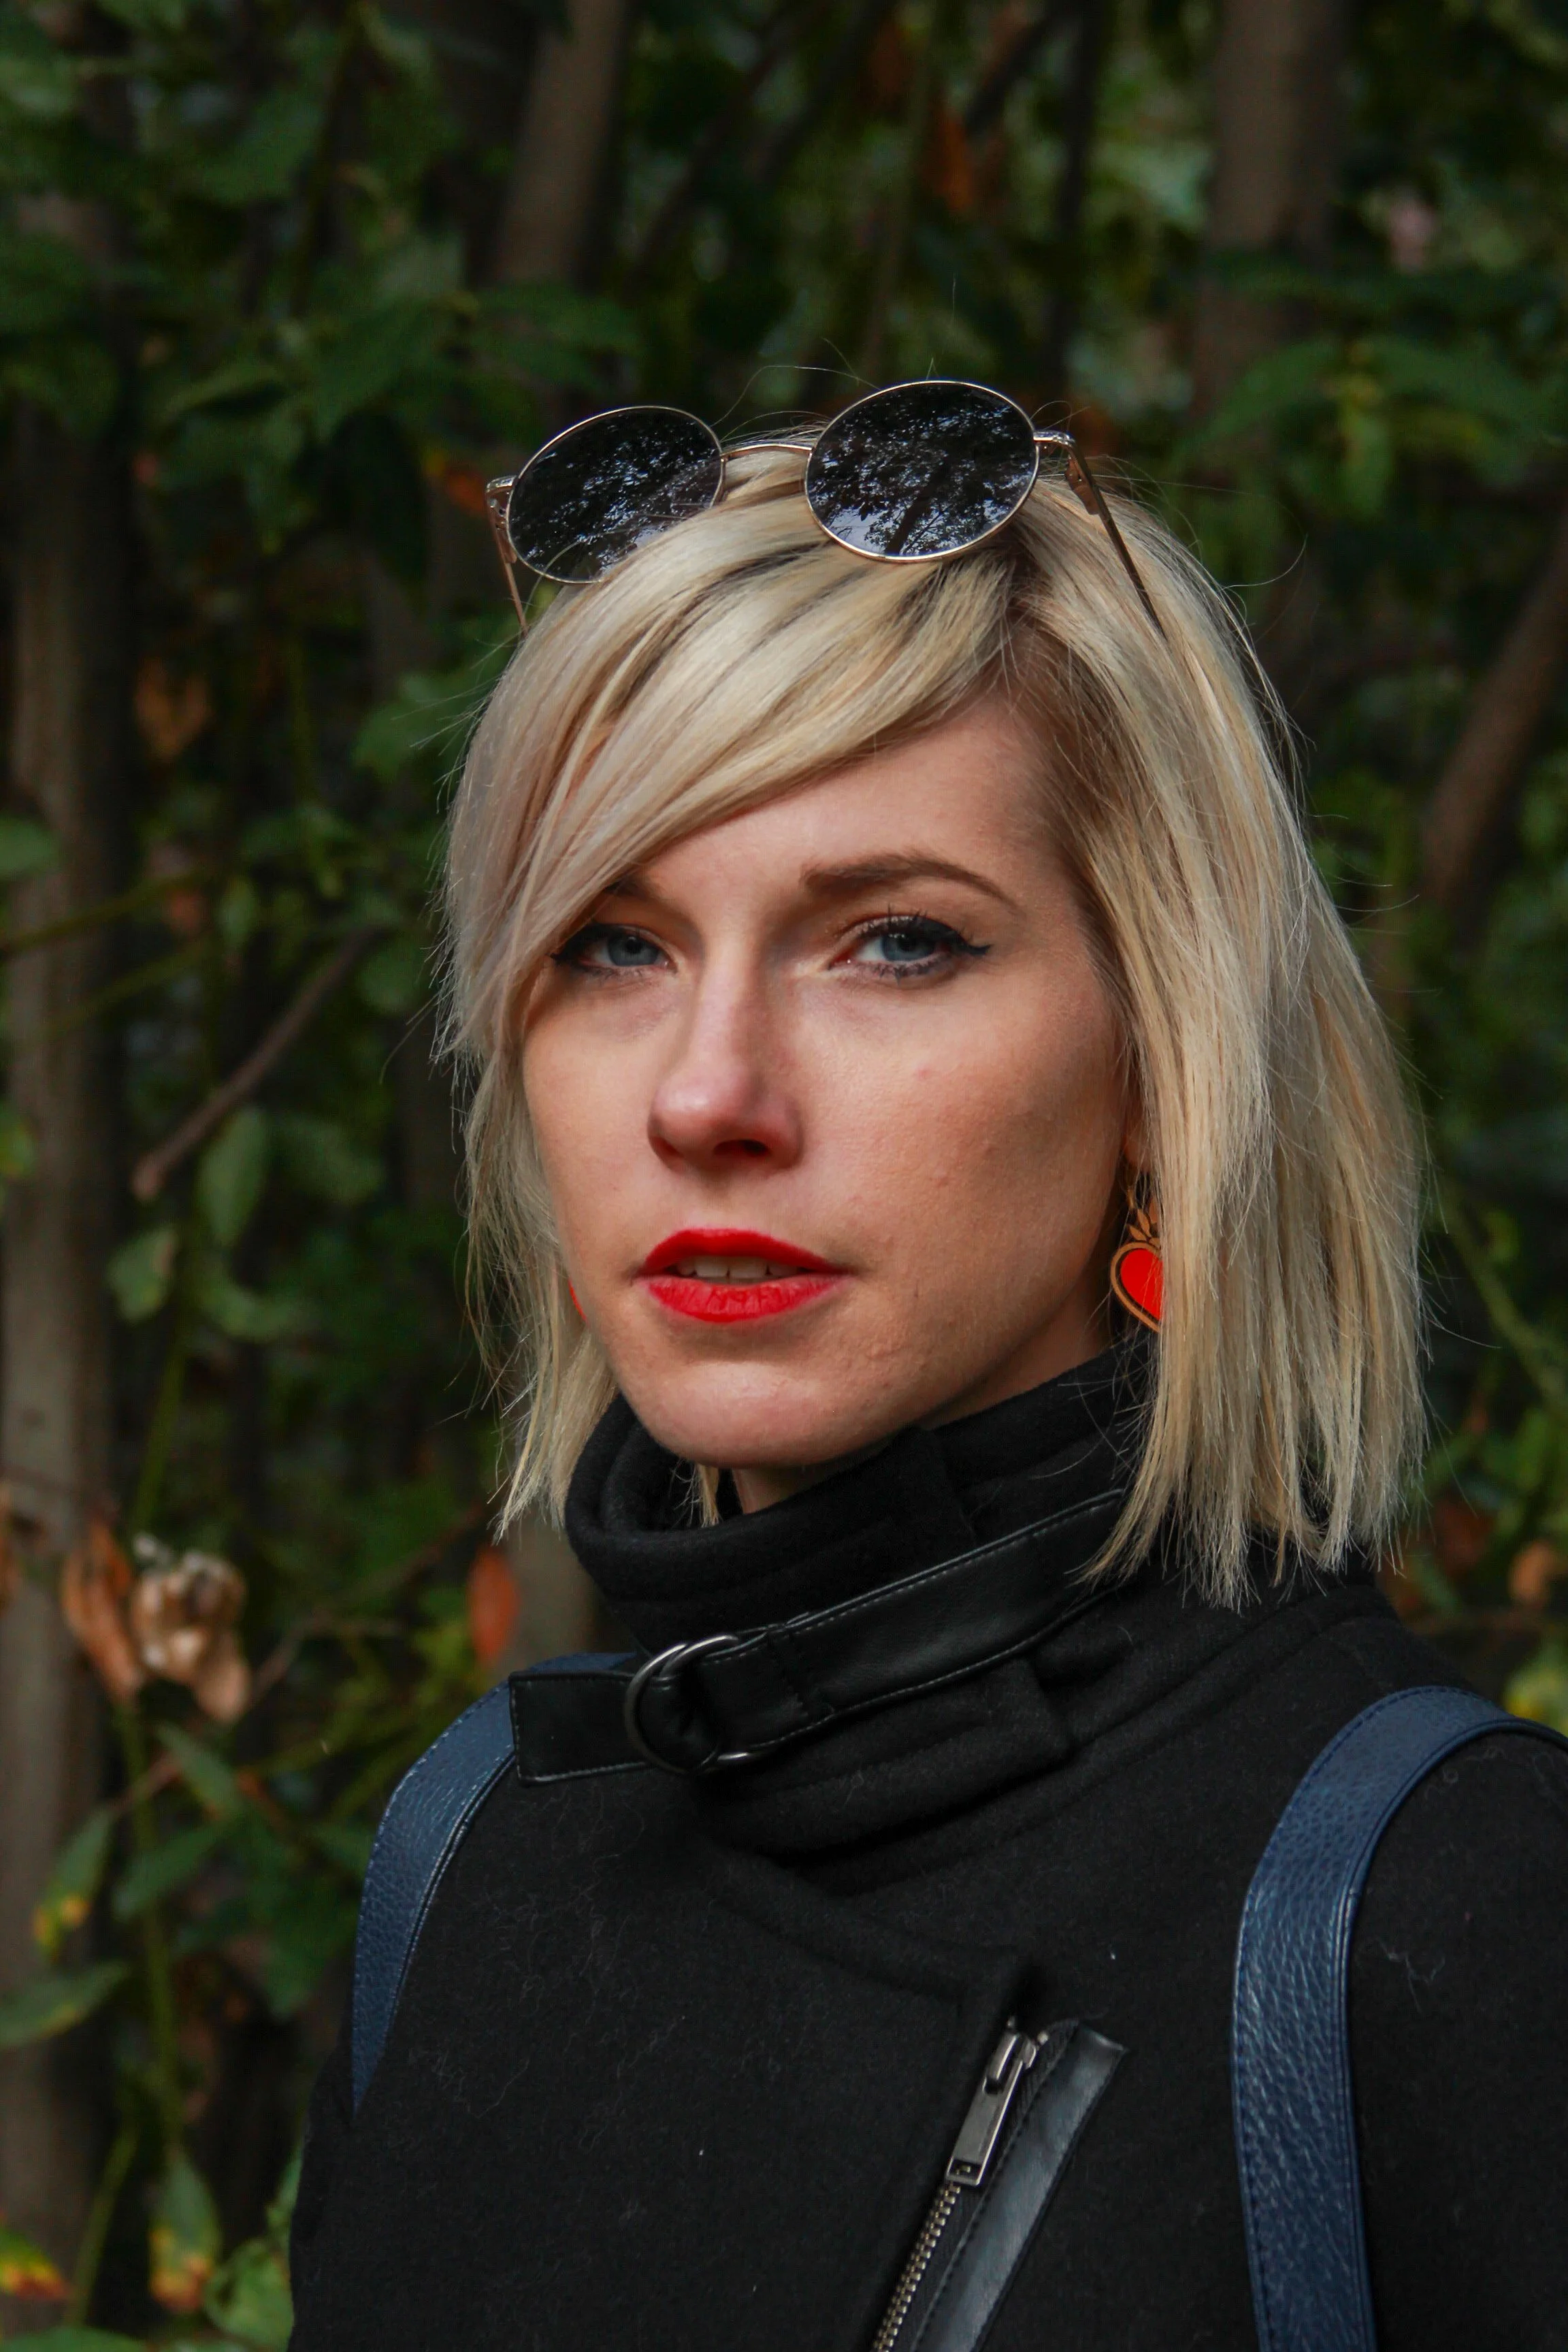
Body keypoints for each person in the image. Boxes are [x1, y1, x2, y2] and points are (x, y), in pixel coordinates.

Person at [287, 385, 1568, 2352]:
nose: (708, 1094)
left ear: (1161, 1065)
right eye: (613, 948)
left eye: (893, 941)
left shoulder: (1449, 1917)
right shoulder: (472, 1856)